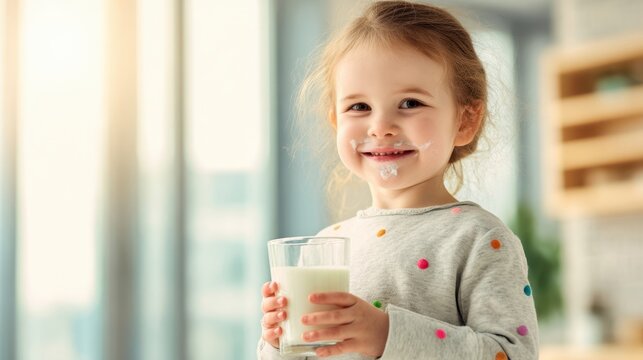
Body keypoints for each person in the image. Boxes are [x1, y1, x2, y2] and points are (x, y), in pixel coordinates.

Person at [259, 1, 538, 359]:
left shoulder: (479, 238)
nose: (380, 127)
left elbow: (512, 354)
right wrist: (277, 341)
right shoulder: (323, 246)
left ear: (465, 120)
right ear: (336, 123)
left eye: (409, 103)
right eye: (359, 107)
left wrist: (388, 335)